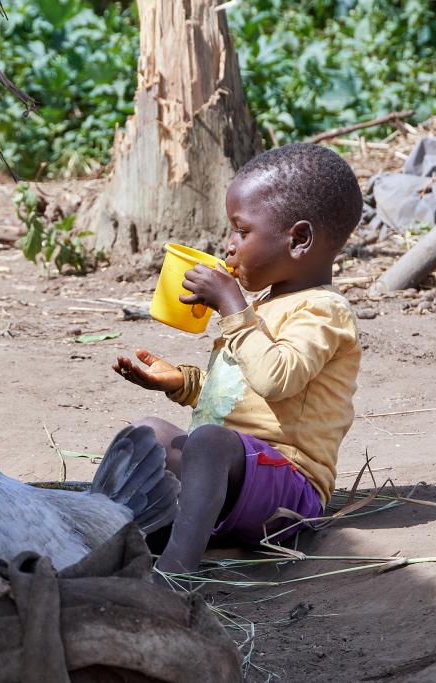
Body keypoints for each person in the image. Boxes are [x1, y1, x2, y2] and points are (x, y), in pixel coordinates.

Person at [112, 143, 363, 584]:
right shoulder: (263, 306)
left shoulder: (323, 311)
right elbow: (241, 394)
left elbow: (276, 379)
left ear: (298, 239)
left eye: (241, 232)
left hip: (288, 493)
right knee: (147, 433)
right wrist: (184, 384)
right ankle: (119, 537)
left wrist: (231, 306)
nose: (228, 246)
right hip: (235, 477)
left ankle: (176, 574)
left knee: (209, 442)